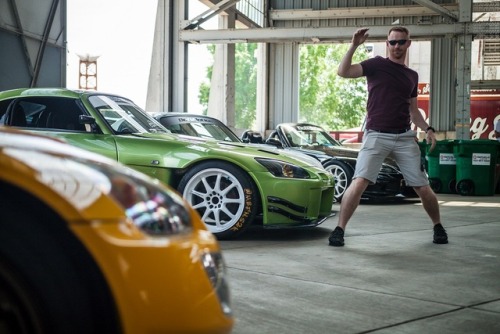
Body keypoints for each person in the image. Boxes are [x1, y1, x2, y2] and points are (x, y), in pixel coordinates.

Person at [329, 26, 448, 247]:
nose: (396, 46)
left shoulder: (412, 76)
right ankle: (339, 229)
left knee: (422, 185)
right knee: (359, 181)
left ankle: (438, 226)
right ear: (387, 44)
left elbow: (414, 111)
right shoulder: (376, 65)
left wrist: (428, 129)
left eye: (401, 42)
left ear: (408, 44)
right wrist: (354, 45)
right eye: (392, 42)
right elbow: (343, 72)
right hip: (376, 135)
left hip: (404, 137)